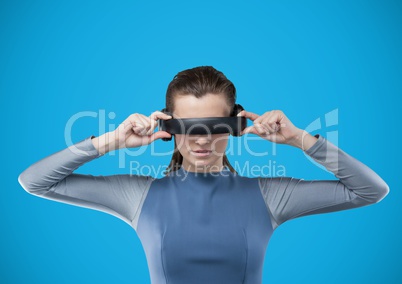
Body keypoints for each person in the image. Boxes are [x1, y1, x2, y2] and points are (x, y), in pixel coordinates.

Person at [18, 66, 389, 284]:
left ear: (235, 126)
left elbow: (370, 191)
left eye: (215, 126)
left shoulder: (269, 195)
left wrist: (299, 139)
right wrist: (111, 141)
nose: (202, 141)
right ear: (168, 126)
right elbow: (34, 181)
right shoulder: (138, 196)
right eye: (189, 126)